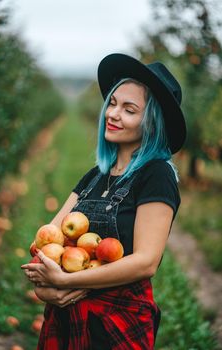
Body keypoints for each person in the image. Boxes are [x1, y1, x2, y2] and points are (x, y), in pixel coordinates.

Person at [21, 53, 187, 350]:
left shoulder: (157, 174)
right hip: (65, 319)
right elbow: (45, 242)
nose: (112, 114)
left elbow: (146, 262)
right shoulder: (95, 176)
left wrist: (68, 283)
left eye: (129, 109)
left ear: (151, 122)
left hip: (117, 323)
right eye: (112, 103)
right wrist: (47, 290)